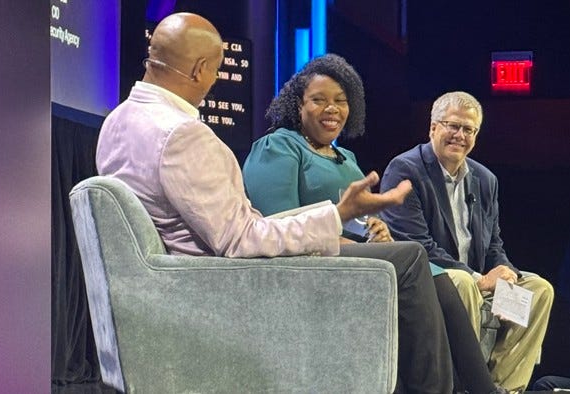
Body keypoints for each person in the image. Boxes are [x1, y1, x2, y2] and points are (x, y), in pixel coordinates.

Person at [95, 13, 452, 393]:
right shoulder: (182, 135)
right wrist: (337, 215)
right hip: (222, 290)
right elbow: (240, 241)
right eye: (215, 71)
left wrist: (335, 216)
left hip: (174, 288)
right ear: (200, 69)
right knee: (410, 259)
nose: (215, 81)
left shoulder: (116, 122)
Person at [242, 53, 501, 394]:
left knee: (442, 283)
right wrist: (350, 240)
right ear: (297, 104)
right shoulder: (278, 147)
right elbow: (278, 225)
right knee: (411, 256)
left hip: (350, 253)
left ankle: (476, 389)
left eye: (340, 101)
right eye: (318, 100)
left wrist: (377, 230)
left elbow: (358, 218)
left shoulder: (344, 157)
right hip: (304, 261)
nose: (331, 109)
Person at [380, 91, 554, 392]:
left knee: (539, 290)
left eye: (469, 129)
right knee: (460, 282)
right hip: (428, 279)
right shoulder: (405, 170)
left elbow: (493, 244)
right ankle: (468, 385)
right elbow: (416, 244)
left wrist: (505, 272)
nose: (460, 135)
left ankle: (501, 386)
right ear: (433, 127)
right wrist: (480, 279)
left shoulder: (485, 180)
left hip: (475, 279)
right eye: (453, 126)